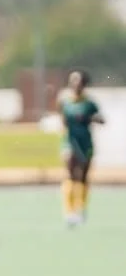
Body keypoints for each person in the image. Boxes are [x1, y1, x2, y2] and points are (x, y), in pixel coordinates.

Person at [57, 69, 103, 227]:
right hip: (70, 142)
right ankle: (68, 211)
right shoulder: (65, 102)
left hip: (86, 143)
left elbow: (101, 119)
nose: (76, 84)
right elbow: (62, 120)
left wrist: (94, 119)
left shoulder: (89, 103)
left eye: (79, 81)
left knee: (83, 176)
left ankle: (81, 208)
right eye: (73, 81)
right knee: (70, 173)